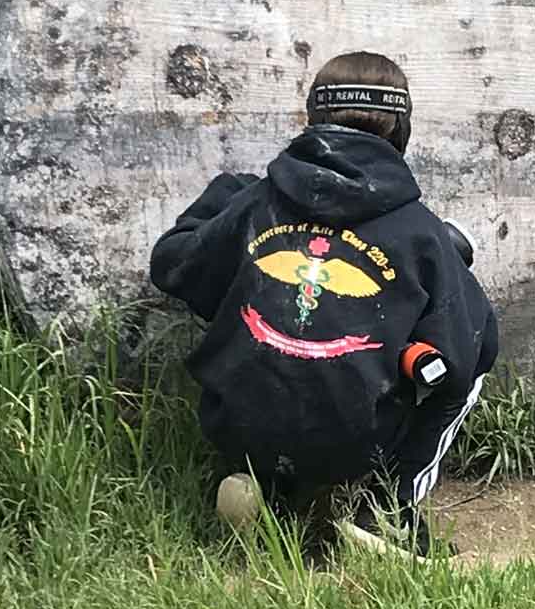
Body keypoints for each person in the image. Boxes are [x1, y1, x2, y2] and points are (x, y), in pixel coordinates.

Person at [149, 51, 498, 558]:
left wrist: (222, 202)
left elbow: (175, 268)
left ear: (311, 117)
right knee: (473, 349)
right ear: (402, 129)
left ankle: (260, 484)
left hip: (234, 425)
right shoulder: (419, 232)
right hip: (353, 444)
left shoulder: (255, 202)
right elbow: (461, 356)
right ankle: (388, 512)